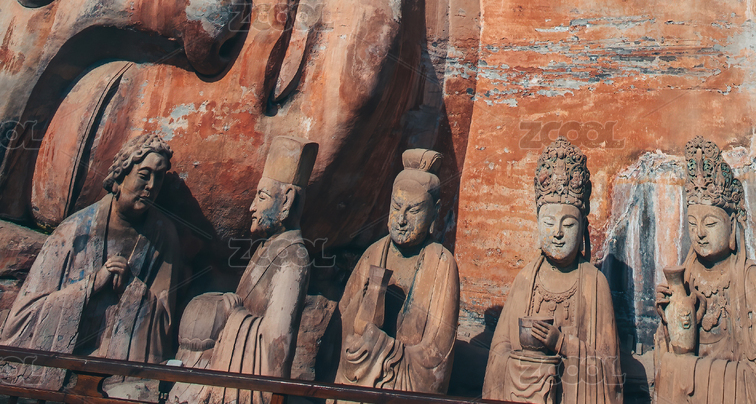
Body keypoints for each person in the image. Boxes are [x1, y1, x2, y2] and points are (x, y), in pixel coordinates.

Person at [0, 134, 180, 396]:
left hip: (122, 377)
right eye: (144, 175)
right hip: (65, 370)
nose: (151, 186)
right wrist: (91, 285)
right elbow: (21, 321)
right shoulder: (73, 231)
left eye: (159, 178)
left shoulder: (164, 236)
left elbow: (164, 323)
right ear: (120, 177)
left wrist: (131, 288)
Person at [171, 138, 317, 404]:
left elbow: (276, 344)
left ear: (286, 201)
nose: (251, 207)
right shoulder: (266, 247)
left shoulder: (294, 258)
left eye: (261, 197)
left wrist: (234, 313)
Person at [484, 136, 622, 404]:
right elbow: (498, 351)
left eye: (568, 225)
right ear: (538, 223)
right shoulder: (526, 279)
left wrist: (561, 344)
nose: (557, 233)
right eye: (548, 223)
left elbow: (610, 370)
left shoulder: (595, 284)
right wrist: (524, 362)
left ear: (583, 228)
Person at [654, 137, 756, 404]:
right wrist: (667, 323)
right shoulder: (687, 277)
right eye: (692, 223)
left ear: (732, 224)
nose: (699, 233)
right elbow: (668, 359)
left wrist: (695, 372)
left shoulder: (749, 279)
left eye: (710, 223)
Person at [335, 149, 459, 393]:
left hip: (403, 380)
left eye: (413, 210)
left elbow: (438, 354)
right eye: (396, 206)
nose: (401, 219)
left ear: (435, 212)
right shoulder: (374, 252)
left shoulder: (442, 263)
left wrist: (382, 347)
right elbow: (343, 320)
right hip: (357, 370)